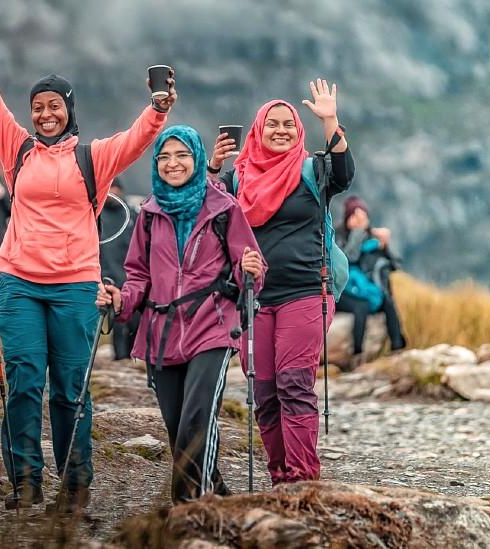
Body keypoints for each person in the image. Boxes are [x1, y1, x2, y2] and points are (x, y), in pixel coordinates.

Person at [0, 3, 175, 511]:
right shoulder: (17, 150)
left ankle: (75, 488)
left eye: (54, 106)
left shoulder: (93, 157)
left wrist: (159, 109)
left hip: (77, 285)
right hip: (18, 283)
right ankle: (26, 483)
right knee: (24, 383)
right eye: (39, 107)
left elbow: (137, 139)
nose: (46, 114)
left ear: (69, 109)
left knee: (71, 392)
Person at [97, 125, 264, 503]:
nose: (173, 164)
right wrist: (122, 301)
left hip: (213, 326)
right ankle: (217, 493)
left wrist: (251, 269)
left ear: (197, 159)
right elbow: (138, 274)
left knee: (197, 418)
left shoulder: (224, 208)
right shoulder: (150, 214)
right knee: (177, 428)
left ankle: (187, 506)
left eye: (182, 155)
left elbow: (249, 265)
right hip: (163, 332)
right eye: (165, 157)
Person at [208, 80, 354, 486]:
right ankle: (280, 479)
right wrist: (213, 168)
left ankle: (303, 480)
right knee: (266, 393)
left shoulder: (312, 170)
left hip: (307, 291)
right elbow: (205, 211)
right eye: (271, 124)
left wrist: (330, 121)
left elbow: (345, 172)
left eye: (288, 124)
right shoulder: (237, 180)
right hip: (254, 297)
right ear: (257, 130)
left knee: (294, 382)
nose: (280, 130)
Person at [336, 196, 406, 369]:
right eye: (354, 216)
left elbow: (395, 264)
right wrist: (358, 232)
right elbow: (347, 258)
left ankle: (398, 348)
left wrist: (385, 246)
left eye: (363, 217)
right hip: (342, 291)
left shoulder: (373, 238)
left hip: (364, 290)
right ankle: (357, 356)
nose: (359, 221)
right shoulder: (338, 234)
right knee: (361, 307)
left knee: (388, 302)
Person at [98, 178, 137, 360]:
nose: (111, 192)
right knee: (115, 326)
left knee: (132, 322)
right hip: (104, 279)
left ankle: (130, 358)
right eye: (108, 188)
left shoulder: (131, 214)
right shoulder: (96, 215)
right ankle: (120, 359)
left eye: (114, 188)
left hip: (129, 278)